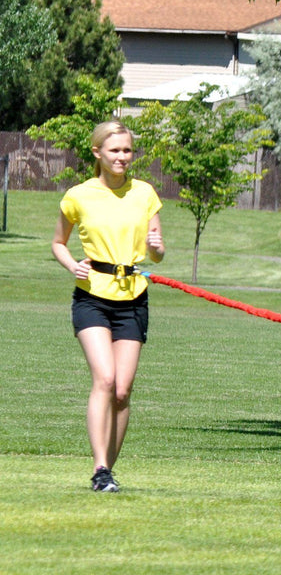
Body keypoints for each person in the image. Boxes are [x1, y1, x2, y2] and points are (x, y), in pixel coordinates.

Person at [51, 120, 164, 493]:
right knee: (105, 378)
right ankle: (99, 467)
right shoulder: (78, 196)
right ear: (97, 153)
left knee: (123, 390)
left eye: (127, 150)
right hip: (92, 296)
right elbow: (58, 243)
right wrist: (72, 264)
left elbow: (155, 252)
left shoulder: (145, 193)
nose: (122, 157)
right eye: (114, 150)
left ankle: (107, 472)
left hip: (133, 297)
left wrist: (157, 250)